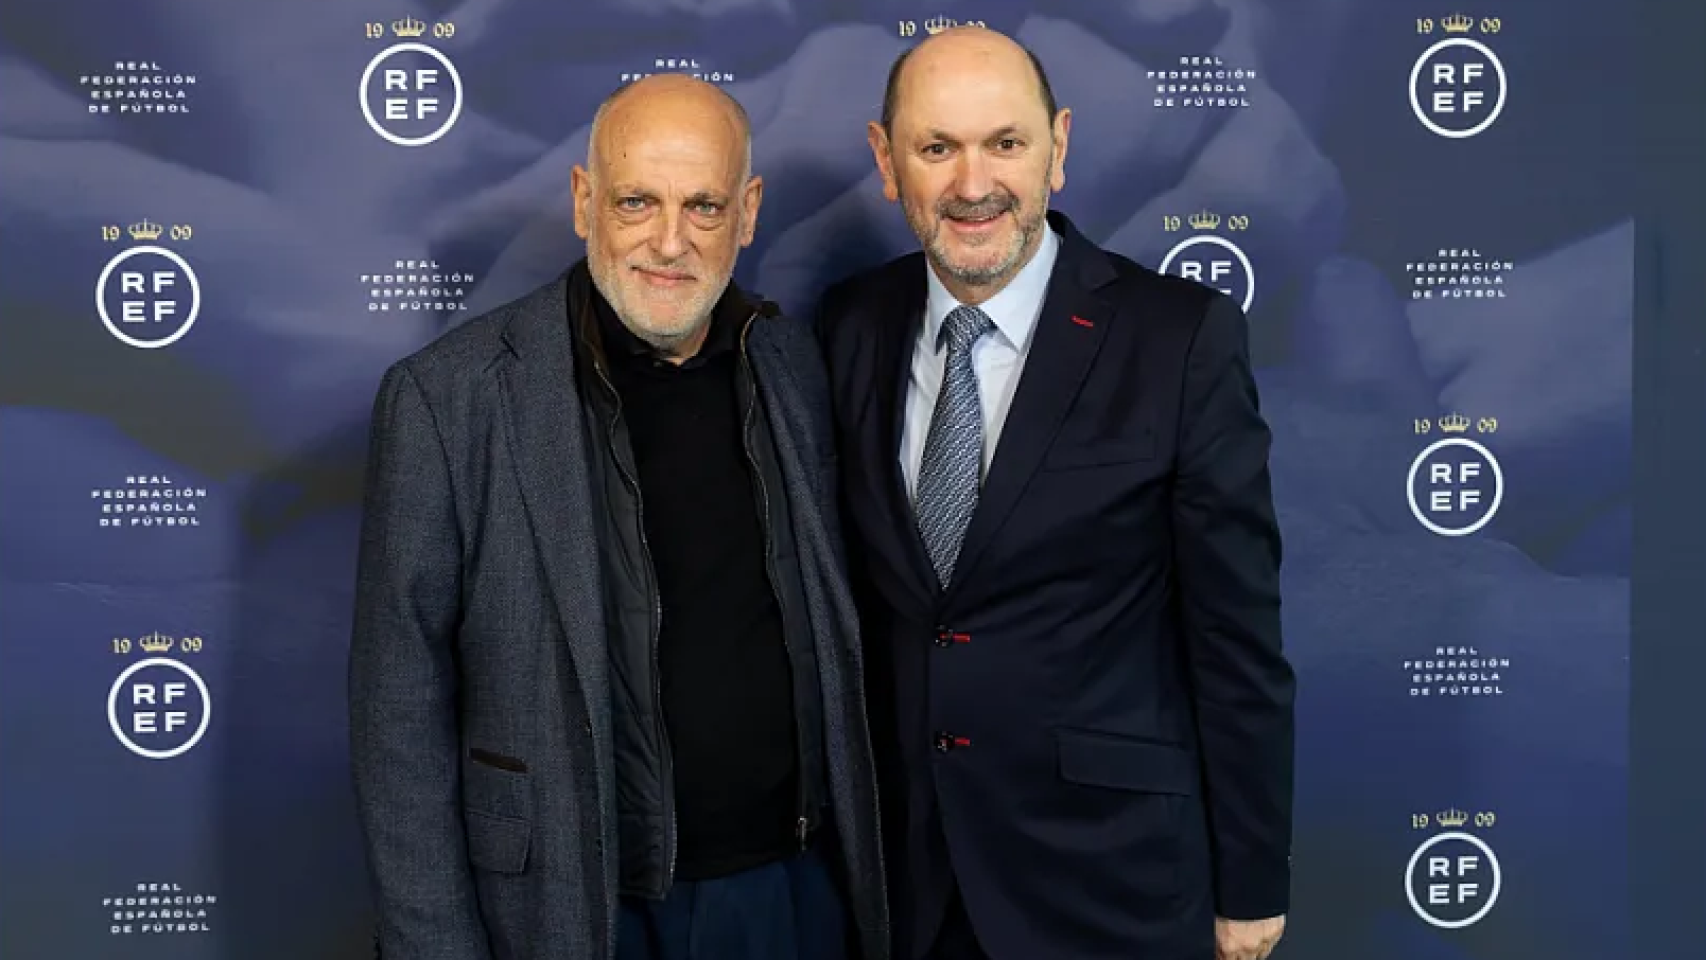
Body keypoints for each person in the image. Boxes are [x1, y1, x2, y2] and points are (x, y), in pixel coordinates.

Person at [348, 74, 888, 960]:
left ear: (748, 213)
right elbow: (395, 717)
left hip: (786, 896)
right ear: (583, 200)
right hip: (568, 906)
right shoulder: (448, 399)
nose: (668, 242)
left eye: (704, 207)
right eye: (637, 201)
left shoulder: (794, 365)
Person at [813, 27, 1294, 960]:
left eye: (1005, 142)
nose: (972, 184)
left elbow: (1237, 639)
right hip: (910, 890)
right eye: (936, 147)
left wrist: (1252, 880)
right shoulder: (849, 327)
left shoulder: (1178, 339)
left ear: (1058, 149)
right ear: (885, 160)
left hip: (1110, 883)